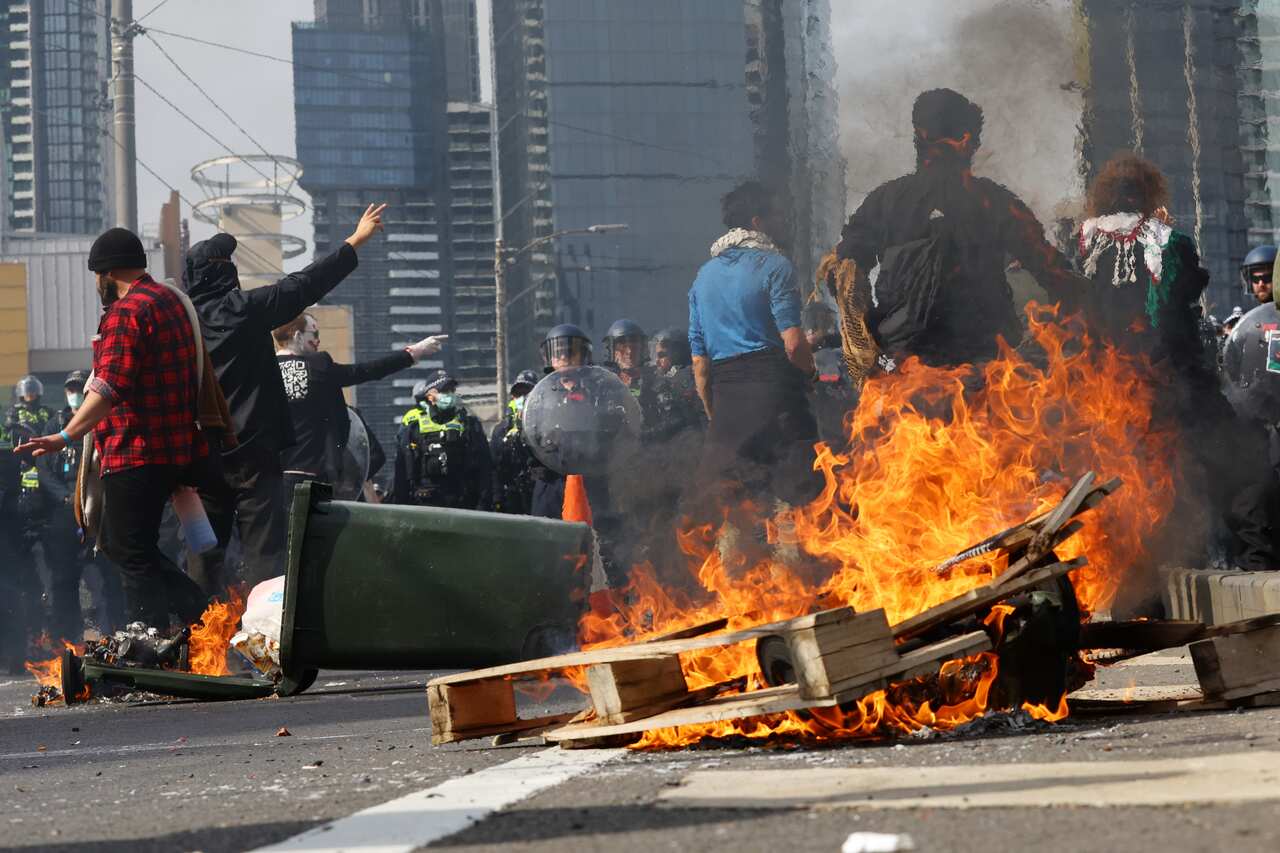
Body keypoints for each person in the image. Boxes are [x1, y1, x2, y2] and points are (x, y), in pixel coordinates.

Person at [1074, 154, 1280, 583]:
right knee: (1239, 472)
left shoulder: (1084, 240)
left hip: (1108, 390)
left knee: (1133, 489)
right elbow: (1186, 293)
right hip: (1173, 385)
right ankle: (1258, 580)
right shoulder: (1171, 241)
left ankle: (1140, 588)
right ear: (1150, 195)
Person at [183, 204, 386, 594]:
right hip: (255, 457)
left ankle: (195, 643)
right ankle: (267, 645)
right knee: (266, 564)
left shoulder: (181, 322)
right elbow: (304, 284)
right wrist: (354, 241)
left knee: (203, 560)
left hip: (201, 460)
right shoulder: (245, 310)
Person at [15, 226, 209, 628]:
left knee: (126, 548)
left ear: (106, 273)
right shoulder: (170, 301)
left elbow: (108, 387)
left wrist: (65, 435)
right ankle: (203, 622)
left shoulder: (128, 312)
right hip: (174, 450)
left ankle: (158, 638)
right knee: (135, 546)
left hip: (135, 452)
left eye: (96, 277)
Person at [833, 88, 1080, 379]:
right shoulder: (996, 202)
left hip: (904, 367)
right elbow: (1052, 272)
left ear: (918, 136)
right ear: (967, 141)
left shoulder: (886, 201)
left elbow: (845, 271)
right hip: (988, 364)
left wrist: (871, 331)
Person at [688, 180, 819, 508]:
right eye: (778, 214)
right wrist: (810, 373)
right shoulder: (776, 266)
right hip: (777, 401)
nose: (784, 221)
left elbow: (700, 366)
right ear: (758, 222)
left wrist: (716, 415)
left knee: (729, 511)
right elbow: (792, 345)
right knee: (804, 503)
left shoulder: (703, 278)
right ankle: (796, 557)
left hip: (727, 410)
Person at [274, 311, 445, 503]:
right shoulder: (318, 366)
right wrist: (413, 353)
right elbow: (365, 371)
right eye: (314, 335)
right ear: (297, 336)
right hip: (313, 475)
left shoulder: (263, 373)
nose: (318, 341)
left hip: (272, 479)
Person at [40, 370, 123, 641]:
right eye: (70, 389)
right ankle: (67, 638)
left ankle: (116, 633)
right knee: (63, 580)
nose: (75, 393)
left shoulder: (99, 420)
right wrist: (65, 496)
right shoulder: (55, 425)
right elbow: (43, 468)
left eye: (79, 388)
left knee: (110, 576)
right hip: (64, 512)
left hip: (98, 509)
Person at [392, 370, 490, 509]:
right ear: (429, 396)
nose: (449, 394)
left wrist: (483, 506)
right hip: (425, 506)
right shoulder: (414, 429)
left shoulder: (469, 425)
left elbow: (484, 468)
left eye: (452, 390)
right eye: (444, 390)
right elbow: (402, 473)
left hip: (463, 505)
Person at [529, 325, 593, 519]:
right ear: (550, 358)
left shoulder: (596, 392)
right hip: (550, 479)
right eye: (558, 354)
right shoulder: (539, 395)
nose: (564, 358)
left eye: (570, 352)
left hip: (588, 478)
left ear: (582, 355)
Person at [490, 369, 540, 515]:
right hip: (512, 496)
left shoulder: (547, 426)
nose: (523, 397)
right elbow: (494, 468)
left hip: (538, 493)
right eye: (518, 394)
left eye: (528, 392)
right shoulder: (501, 429)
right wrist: (497, 499)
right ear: (512, 397)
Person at [602, 319, 658, 426]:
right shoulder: (603, 385)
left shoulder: (655, 383)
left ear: (642, 351)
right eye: (622, 347)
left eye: (634, 347)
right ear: (612, 352)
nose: (629, 352)